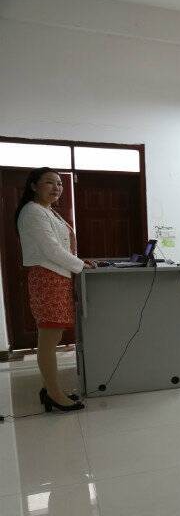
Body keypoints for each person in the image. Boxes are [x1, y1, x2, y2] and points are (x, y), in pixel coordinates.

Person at [15, 167, 90, 412]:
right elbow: (51, 250)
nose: (57, 187)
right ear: (34, 186)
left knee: (53, 336)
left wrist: (79, 263)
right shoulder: (33, 211)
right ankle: (54, 394)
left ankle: (49, 388)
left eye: (59, 183)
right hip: (48, 277)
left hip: (57, 276)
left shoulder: (48, 211)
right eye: (49, 182)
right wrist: (80, 266)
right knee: (48, 338)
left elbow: (61, 247)